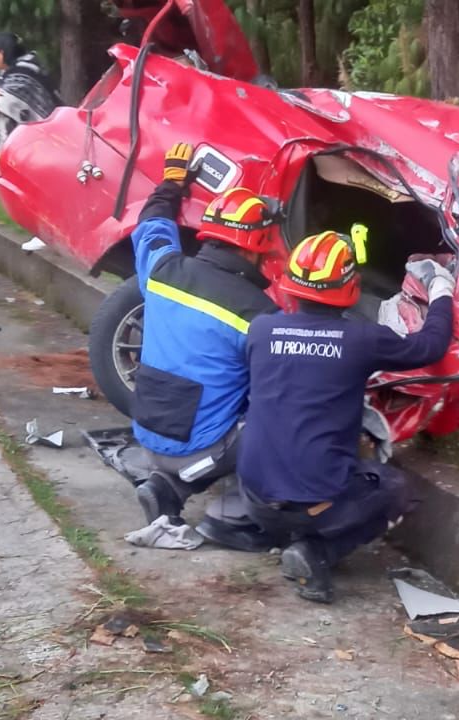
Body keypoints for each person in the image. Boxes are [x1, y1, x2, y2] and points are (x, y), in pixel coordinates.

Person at [238, 233, 456, 603]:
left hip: (253, 496)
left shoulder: (261, 329)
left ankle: (285, 529)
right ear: (350, 285)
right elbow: (430, 346)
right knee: (395, 488)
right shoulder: (360, 340)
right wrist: (441, 290)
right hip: (310, 506)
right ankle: (317, 552)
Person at [115, 142, 280, 548]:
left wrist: (173, 183)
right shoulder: (258, 313)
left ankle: (166, 487)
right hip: (203, 448)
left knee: (209, 392)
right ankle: (240, 514)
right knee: (281, 416)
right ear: (254, 248)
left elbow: (152, 224)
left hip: (147, 433)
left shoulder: (163, 268)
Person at [0, 32, 60, 152]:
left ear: (2, 53)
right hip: (12, 150)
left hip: (35, 148)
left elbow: (9, 102)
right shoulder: (5, 76)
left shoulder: (25, 73)